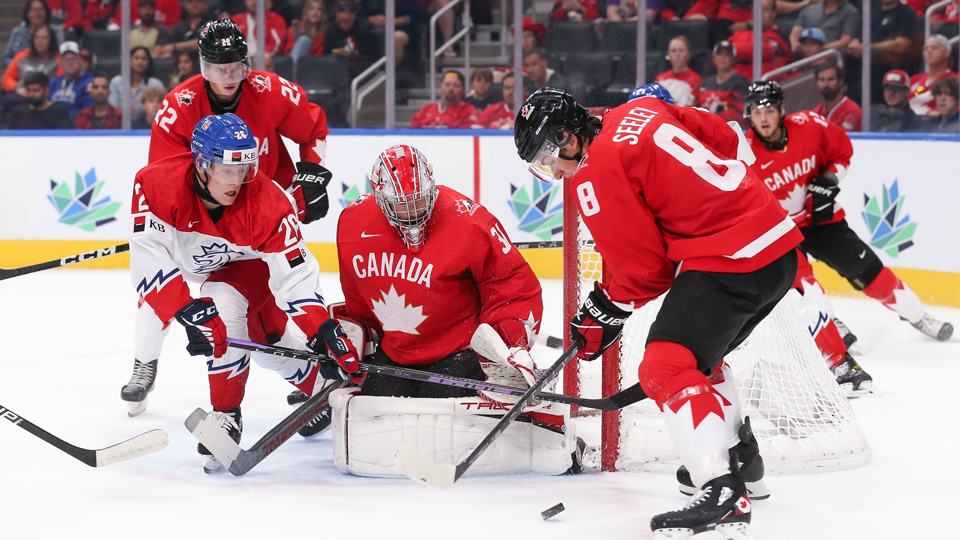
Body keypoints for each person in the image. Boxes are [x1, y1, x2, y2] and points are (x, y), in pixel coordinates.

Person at [514, 86, 804, 537]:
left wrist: (604, 309)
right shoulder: (642, 108)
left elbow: (647, 271)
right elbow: (726, 139)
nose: (552, 169)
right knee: (697, 358)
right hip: (777, 245)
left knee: (664, 365)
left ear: (569, 138)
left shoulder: (595, 173)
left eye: (548, 157)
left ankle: (721, 490)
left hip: (732, 259)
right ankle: (741, 460)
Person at [122, 19, 333, 421]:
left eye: (237, 67)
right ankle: (145, 363)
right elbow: (166, 186)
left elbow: (314, 126)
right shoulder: (177, 109)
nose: (229, 77)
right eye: (220, 68)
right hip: (201, 228)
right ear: (202, 66)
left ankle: (313, 380)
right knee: (158, 294)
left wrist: (313, 172)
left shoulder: (271, 91)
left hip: (257, 220)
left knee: (263, 325)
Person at [333, 144, 583, 476]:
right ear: (380, 200)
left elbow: (511, 287)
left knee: (439, 410)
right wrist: (355, 337)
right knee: (375, 407)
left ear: (432, 188)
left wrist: (510, 344)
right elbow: (356, 293)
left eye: (420, 201)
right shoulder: (352, 223)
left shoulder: (470, 221)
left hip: (458, 351)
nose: (414, 214)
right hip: (396, 353)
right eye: (401, 206)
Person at [129, 112, 359, 472]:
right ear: (202, 164)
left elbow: (294, 274)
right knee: (266, 341)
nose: (238, 180)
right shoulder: (155, 183)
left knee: (220, 312)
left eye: (244, 168)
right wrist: (182, 307)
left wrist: (321, 327)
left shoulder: (269, 202)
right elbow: (148, 256)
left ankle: (226, 416)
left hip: (251, 266)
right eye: (227, 169)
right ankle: (323, 388)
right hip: (201, 267)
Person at [743, 80, 953, 351]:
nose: (764, 118)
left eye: (769, 110)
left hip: (822, 221)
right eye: (756, 112)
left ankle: (919, 316)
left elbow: (843, 152)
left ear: (781, 110)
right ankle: (833, 328)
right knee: (806, 290)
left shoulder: (809, 125)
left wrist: (828, 180)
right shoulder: (744, 153)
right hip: (783, 234)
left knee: (872, 274)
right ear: (749, 115)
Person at [846, 0, 922, 103]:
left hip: (887, 67)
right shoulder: (871, 10)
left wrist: (868, 48)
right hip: (862, 67)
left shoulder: (906, 13)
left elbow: (901, 45)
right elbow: (857, 34)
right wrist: (854, 44)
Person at [727, 0, 792, 80]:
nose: (760, 13)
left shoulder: (780, 34)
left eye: (764, 10)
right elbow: (718, 58)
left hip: (765, 87)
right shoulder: (740, 34)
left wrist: (734, 51)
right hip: (735, 85)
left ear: (773, 14)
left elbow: (762, 50)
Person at [696, 40, 750, 126]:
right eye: (720, 54)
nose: (723, 57)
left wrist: (709, 121)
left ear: (733, 59)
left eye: (727, 54)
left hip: (730, 130)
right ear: (714, 58)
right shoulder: (705, 83)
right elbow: (696, 108)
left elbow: (738, 115)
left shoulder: (741, 82)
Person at [322, 1, 380, 76]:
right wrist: (336, 52)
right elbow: (326, 54)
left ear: (354, 16)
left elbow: (373, 56)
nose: (343, 25)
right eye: (340, 21)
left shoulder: (366, 29)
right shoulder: (331, 31)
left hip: (362, 69)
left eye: (347, 21)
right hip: (338, 69)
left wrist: (351, 56)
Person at [2, 24, 62, 97]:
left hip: (48, 97)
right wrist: (17, 87)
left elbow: (60, 82)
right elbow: (7, 78)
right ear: (32, 40)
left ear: (51, 40)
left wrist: (43, 92)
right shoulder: (21, 56)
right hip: (23, 95)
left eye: (44, 38)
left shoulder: (59, 59)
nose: (40, 41)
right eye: (37, 38)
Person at [3, 0, 65, 69]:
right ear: (27, 13)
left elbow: (63, 56)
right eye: (34, 10)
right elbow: (6, 58)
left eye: (41, 9)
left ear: (46, 12)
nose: (38, 13)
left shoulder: (56, 31)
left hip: (50, 73)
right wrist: (22, 68)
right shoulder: (17, 32)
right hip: (20, 73)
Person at [108, 46, 166, 119]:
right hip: (119, 124)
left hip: (148, 124)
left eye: (144, 59)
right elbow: (112, 107)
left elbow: (162, 109)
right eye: (136, 58)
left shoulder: (155, 84)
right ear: (129, 61)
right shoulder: (116, 82)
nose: (140, 61)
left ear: (148, 63)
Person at [409, 70, 479, 128]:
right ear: (440, 87)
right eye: (447, 85)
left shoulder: (468, 110)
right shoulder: (426, 109)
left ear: (463, 90)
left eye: (456, 86)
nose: (451, 89)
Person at [3, 70, 71, 129]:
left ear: (46, 90)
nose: (31, 94)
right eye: (29, 90)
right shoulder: (19, 113)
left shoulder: (58, 112)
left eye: (36, 90)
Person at [789, 0, 859, 56]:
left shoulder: (851, 12)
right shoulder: (810, 9)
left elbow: (845, 41)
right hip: (805, 57)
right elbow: (794, 34)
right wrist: (796, 44)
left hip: (831, 58)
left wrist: (820, 48)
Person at [909, 34, 957, 117]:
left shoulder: (955, 80)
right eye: (925, 49)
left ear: (947, 52)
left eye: (934, 47)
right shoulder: (915, 79)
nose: (929, 51)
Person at [653, 35, 702, 107]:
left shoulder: (696, 80)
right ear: (669, 55)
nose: (677, 54)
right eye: (673, 51)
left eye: (681, 50)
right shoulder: (660, 79)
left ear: (687, 54)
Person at [811, 61, 861, 131]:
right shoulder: (814, 113)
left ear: (840, 82)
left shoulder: (851, 110)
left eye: (831, 79)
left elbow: (842, 139)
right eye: (822, 80)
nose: (826, 84)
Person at [47, 40, 92, 117]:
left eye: (73, 59)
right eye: (67, 60)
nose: (70, 63)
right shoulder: (53, 82)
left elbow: (88, 110)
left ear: (80, 60)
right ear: (61, 62)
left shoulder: (90, 82)